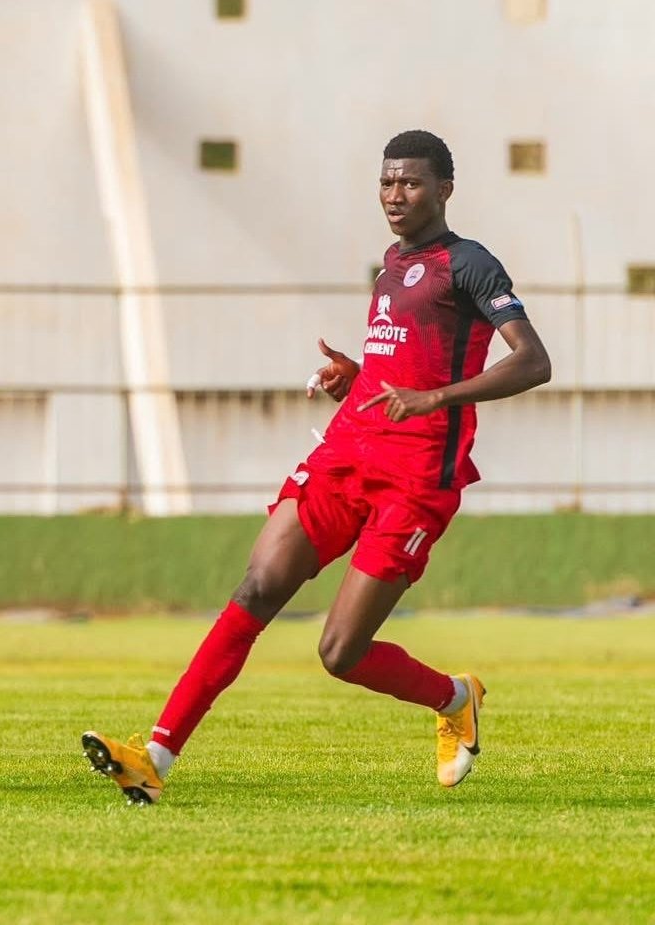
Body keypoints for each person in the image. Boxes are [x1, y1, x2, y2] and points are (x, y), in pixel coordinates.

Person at [82, 129, 552, 804]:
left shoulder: (470, 263)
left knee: (340, 652)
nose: (395, 194)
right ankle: (154, 759)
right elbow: (404, 362)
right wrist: (356, 377)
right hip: (347, 454)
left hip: (416, 479)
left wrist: (434, 398)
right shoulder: (391, 264)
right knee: (258, 586)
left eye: (411, 182)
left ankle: (454, 698)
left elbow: (533, 362)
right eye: (386, 182)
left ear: (445, 189)